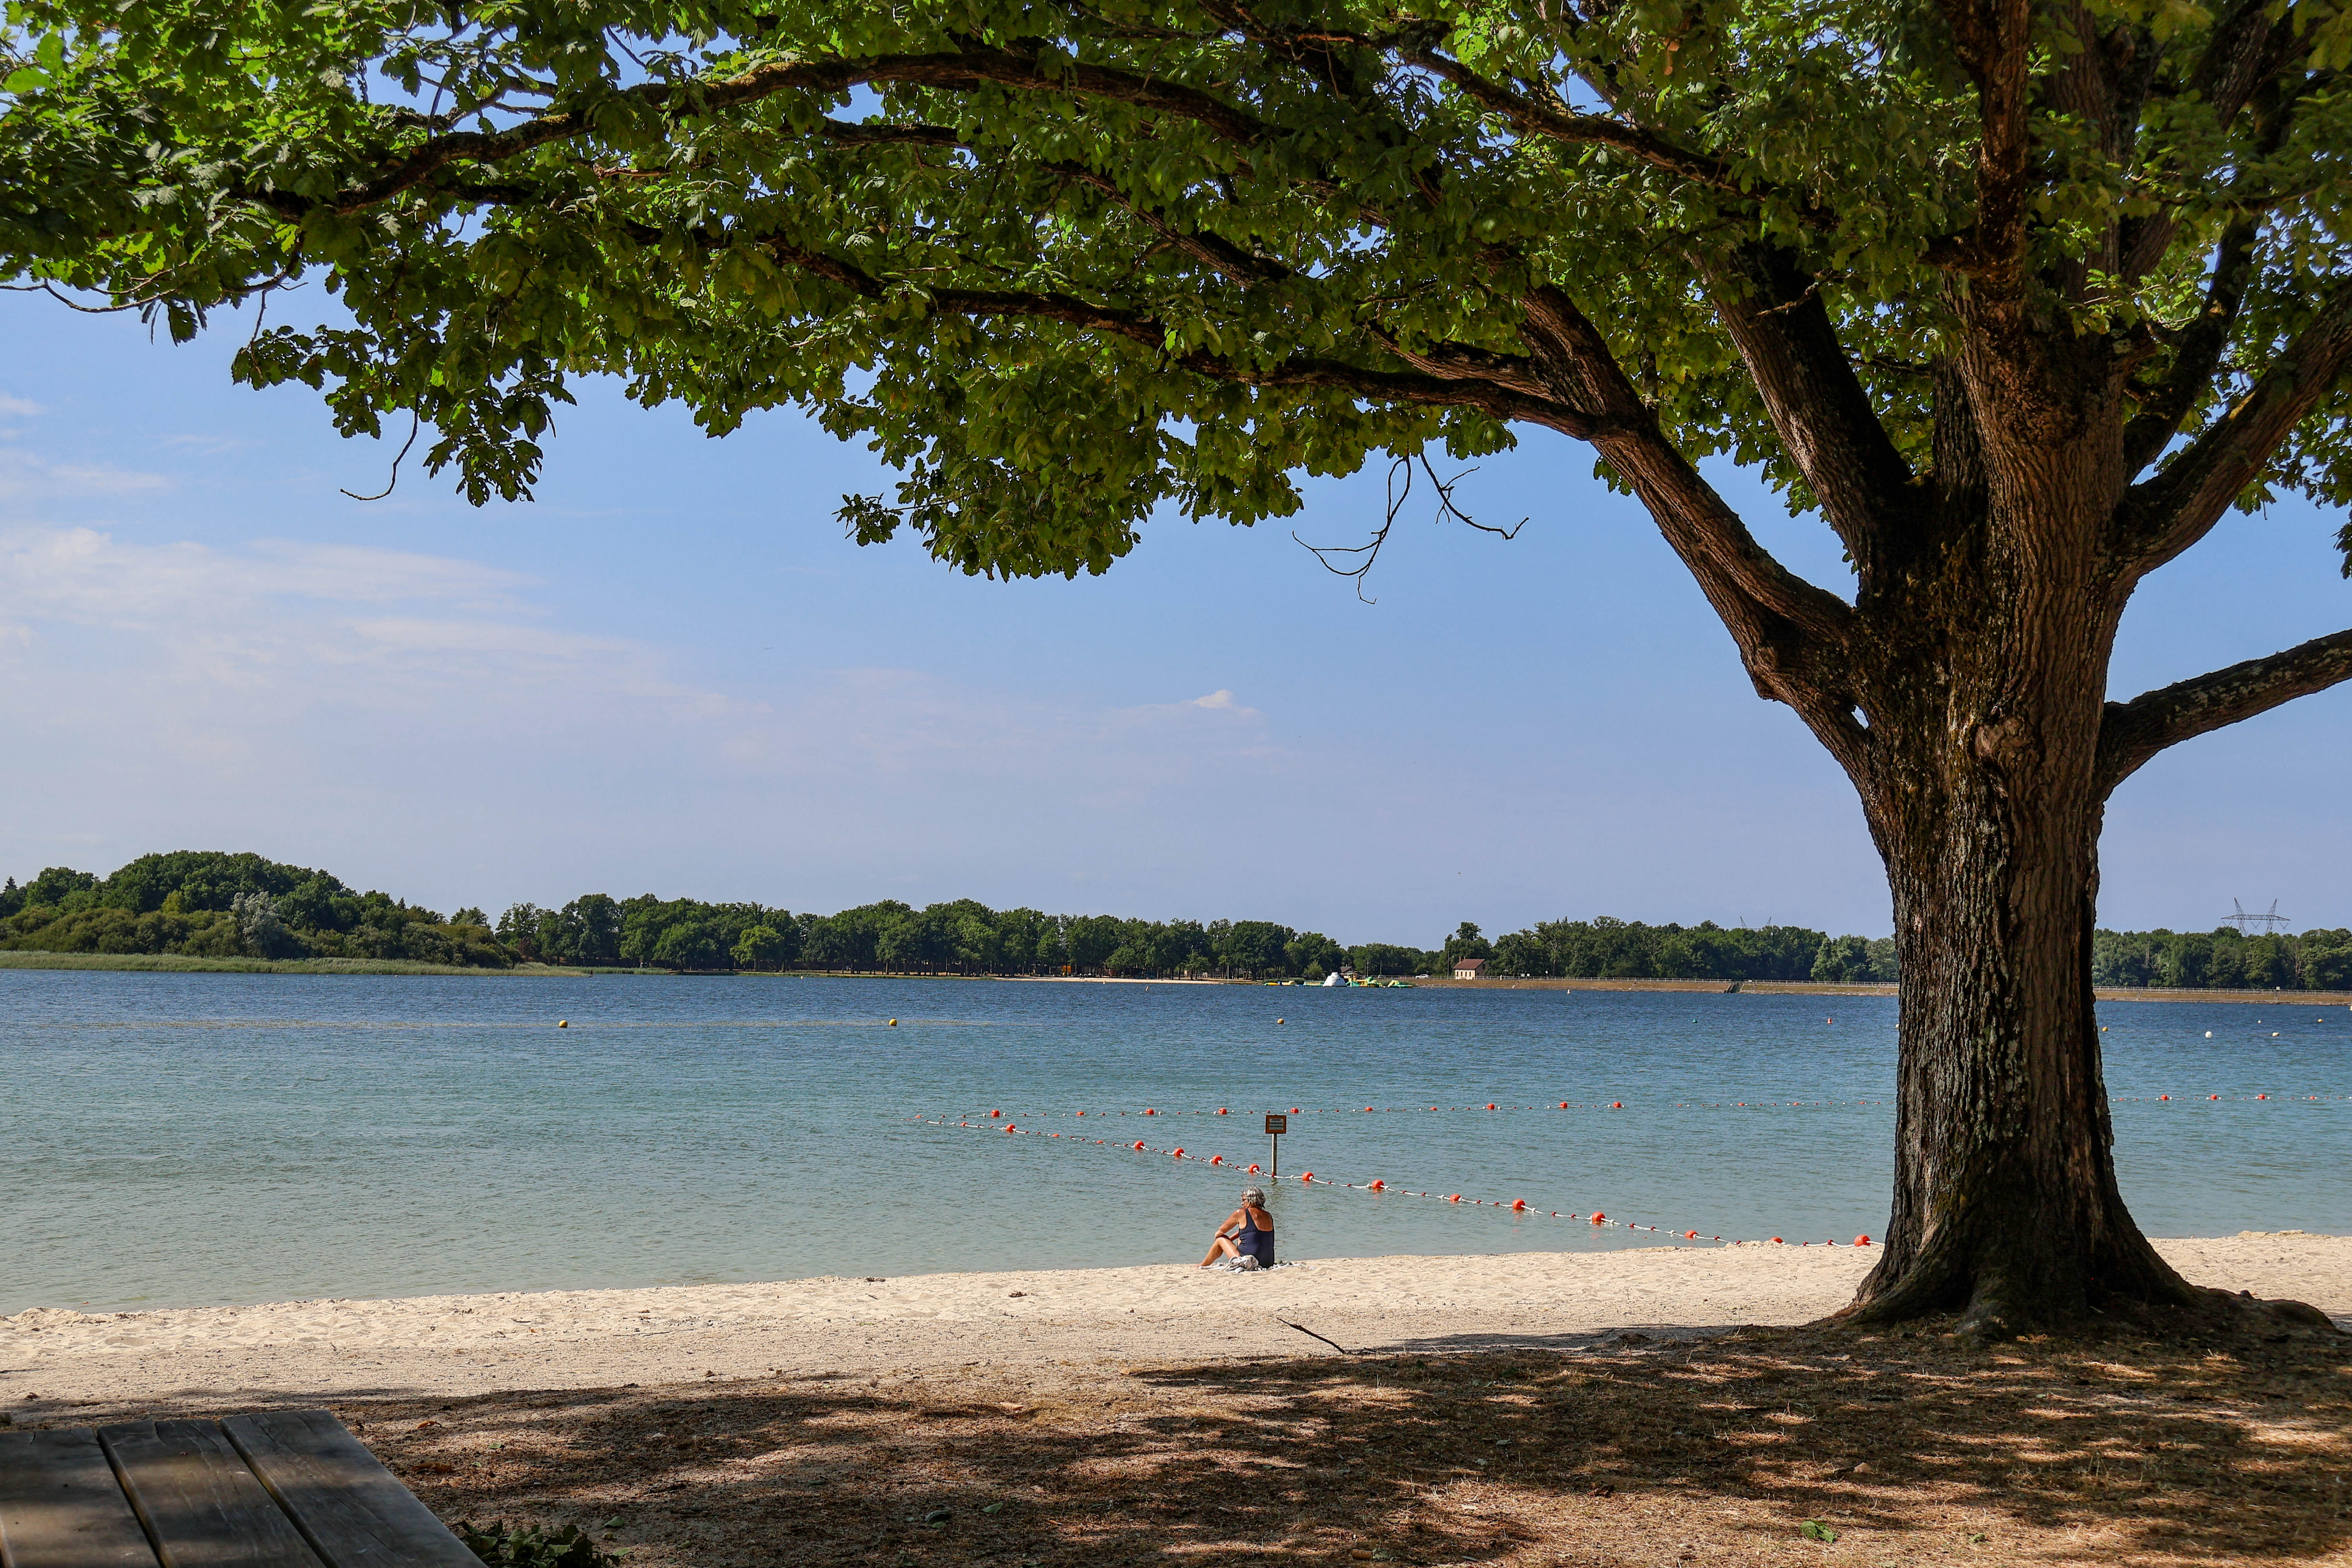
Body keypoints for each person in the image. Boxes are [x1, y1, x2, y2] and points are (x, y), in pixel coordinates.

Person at [1200, 1187, 1275, 1269]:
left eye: (1244, 1200)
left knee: (1220, 1239)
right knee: (1242, 1238)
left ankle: (1203, 1265)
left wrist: (1219, 1243)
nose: (1242, 1204)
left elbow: (1220, 1231)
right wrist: (1230, 1240)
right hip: (1268, 1262)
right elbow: (1252, 1232)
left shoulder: (1242, 1213)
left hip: (1248, 1261)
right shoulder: (1268, 1215)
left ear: (1251, 1200)